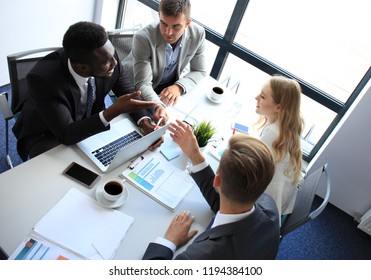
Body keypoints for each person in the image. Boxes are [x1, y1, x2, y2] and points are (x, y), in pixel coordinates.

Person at [12, 21, 160, 161]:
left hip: (87, 119)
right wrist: (113, 111)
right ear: (82, 67)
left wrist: (144, 122)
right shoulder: (43, 79)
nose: (114, 62)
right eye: (106, 62)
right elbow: (66, 134)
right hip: (47, 132)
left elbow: (127, 92)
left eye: (113, 55)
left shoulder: (107, 56)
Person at [142, 120, 280, 260]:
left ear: (217, 180)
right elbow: (227, 202)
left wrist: (169, 241)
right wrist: (195, 155)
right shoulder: (270, 208)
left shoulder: (199, 257)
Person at [122, 0, 207, 124]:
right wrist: (158, 105)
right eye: (164, 23)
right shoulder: (143, 38)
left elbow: (199, 70)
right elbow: (143, 84)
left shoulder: (197, 34)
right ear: (159, 16)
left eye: (176, 26)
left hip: (166, 88)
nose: (168, 32)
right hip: (134, 87)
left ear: (187, 23)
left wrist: (178, 87)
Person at [254, 75, 304, 219]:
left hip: (263, 207)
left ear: (278, 107)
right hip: (279, 202)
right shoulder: (287, 127)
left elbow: (252, 169)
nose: (256, 98)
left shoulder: (272, 133)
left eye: (262, 97)